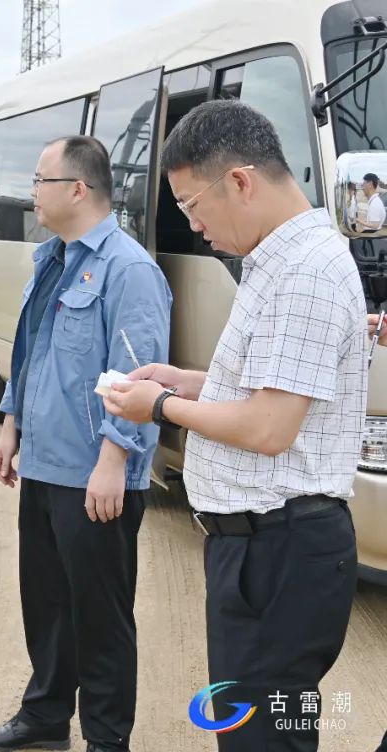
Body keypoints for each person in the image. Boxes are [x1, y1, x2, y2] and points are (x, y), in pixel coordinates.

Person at [104, 100, 365, 752]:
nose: (193, 226)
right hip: (262, 545)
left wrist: (158, 410)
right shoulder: (276, 260)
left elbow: (269, 427)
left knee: (264, 740)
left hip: (279, 549)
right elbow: (265, 387)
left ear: (241, 182)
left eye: (193, 206)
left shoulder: (304, 270)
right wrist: (183, 381)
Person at [0, 136, 172, 752]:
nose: (31, 192)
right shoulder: (51, 259)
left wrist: (114, 460)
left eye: (40, 180)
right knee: (48, 603)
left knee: (101, 618)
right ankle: (46, 717)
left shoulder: (129, 270)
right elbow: (29, 353)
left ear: (77, 189)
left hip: (96, 475)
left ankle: (107, 739)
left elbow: (137, 375)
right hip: (46, 466)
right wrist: (11, 425)